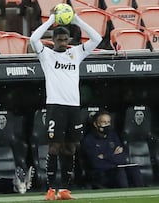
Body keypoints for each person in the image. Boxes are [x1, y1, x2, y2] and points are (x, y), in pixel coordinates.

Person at [30, 9, 102, 200]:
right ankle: (50, 189)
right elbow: (33, 39)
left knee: (71, 147)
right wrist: (51, 19)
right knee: (55, 147)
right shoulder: (46, 55)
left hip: (73, 107)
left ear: (69, 39)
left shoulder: (76, 53)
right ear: (53, 40)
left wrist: (77, 20)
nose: (62, 42)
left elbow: (97, 38)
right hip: (55, 106)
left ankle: (64, 189)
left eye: (65, 39)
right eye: (59, 39)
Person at [81, 111, 144, 189]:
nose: (107, 125)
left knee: (134, 169)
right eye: (104, 122)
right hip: (100, 174)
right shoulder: (89, 140)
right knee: (119, 172)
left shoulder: (113, 136)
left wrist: (104, 156)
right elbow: (95, 163)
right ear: (95, 124)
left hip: (114, 168)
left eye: (108, 122)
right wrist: (113, 156)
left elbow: (123, 158)